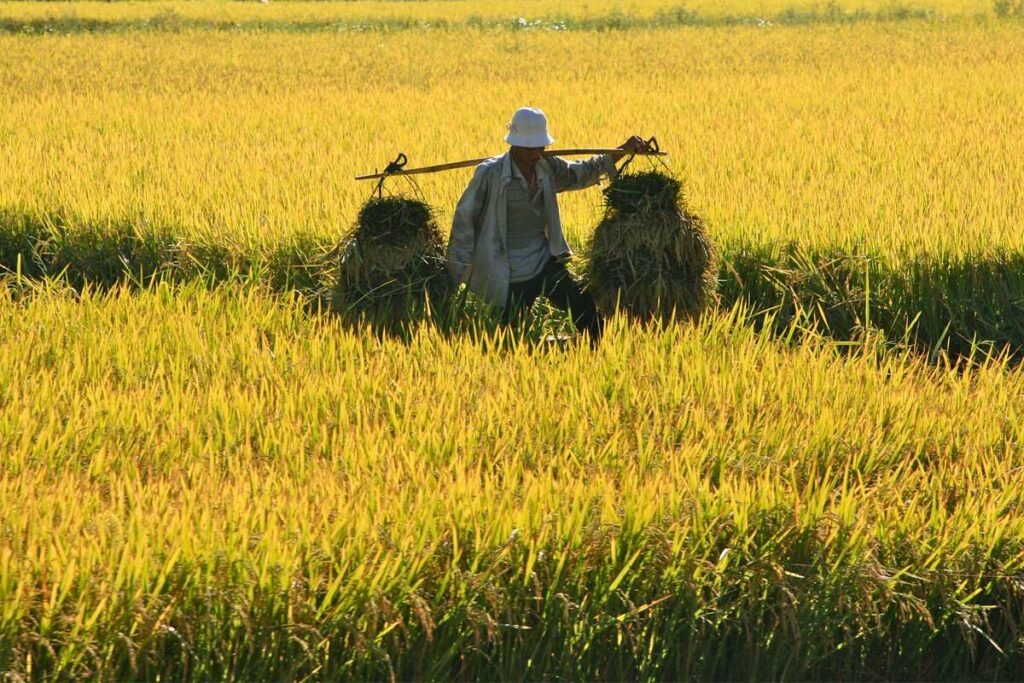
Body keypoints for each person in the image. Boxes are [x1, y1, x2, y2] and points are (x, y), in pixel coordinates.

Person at [446, 106, 650, 344]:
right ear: (515, 144)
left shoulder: (547, 167)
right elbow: (464, 221)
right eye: (530, 147)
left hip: (543, 261)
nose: (536, 153)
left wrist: (621, 151)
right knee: (508, 342)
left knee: (587, 312)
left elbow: (581, 173)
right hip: (509, 273)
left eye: (540, 146)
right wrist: (454, 274)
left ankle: (594, 354)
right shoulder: (490, 174)